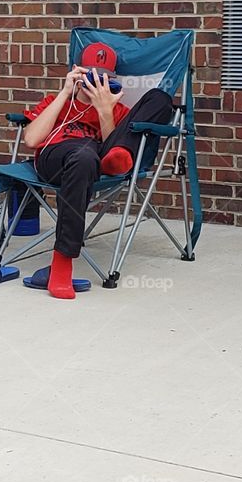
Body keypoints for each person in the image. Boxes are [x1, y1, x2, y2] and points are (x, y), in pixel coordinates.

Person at [22, 42, 173, 299]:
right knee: (82, 155)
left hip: (95, 161)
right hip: (55, 157)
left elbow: (110, 136)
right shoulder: (55, 102)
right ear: (77, 73)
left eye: (104, 78)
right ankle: (62, 263)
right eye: (90, 76)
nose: (96, 83)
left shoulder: (117, 109)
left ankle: (117, 157)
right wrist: (64, 93)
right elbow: (32, 140)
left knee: (160, 98)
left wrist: (104, 110)